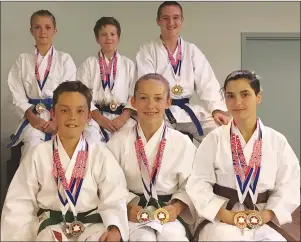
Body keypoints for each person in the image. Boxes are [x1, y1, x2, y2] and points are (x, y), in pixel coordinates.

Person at [1, 81, 129, 241]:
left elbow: (115, 196)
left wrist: (115, 228)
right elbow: (19, 202)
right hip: (51, 227)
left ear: (89, 116)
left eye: (80, 111)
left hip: (92, 228)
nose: (72, 117)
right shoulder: (38, 154)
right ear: (53, 113)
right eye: (64, 110)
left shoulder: (100, 154)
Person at [186, 70, 300, 241]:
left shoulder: (277, 141)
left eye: (245, 94)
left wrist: (267, 214)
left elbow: (289, 184)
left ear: (258, 97)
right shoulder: (214, 139)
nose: (237, 102)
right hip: (222, 218)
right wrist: (224, 214)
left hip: (261, 216)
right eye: (230, 96)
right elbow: (198, 183)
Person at [107, 73, 196, 241]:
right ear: (133, 102)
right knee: (142, 239)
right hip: (135, 213)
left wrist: (177, 207)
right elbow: (108, 184)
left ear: (168, 102)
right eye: (143, 98)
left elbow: (192, 184)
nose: (150, 105)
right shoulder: (118, 141)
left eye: (157, 98)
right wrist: (127, 205)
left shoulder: (182, 142)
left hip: (169, 213)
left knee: (174, 238)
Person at [136, 1, 229, 143]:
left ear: (182, 20)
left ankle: (215, 165)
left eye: (176, 18)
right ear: (158, 21)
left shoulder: (192, 51)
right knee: (156, 139)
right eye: (165, 18)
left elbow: (207, 82)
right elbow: (147, 85)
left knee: (222, 132)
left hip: (187, 111)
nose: (171, 22)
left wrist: (216, 109)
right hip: (160, 111)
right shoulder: (148, 50)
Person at [7, 9, 77, 160]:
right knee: (32, 150)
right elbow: (16, 96)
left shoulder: (65, 60)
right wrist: (34, 119)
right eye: (37, 27)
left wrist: (56, 120)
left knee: (63, 154)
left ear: (55, 30)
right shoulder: (23, 61)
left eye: (47, 27)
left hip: (60, 118)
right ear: (31, 31)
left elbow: (71, 95)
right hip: (32, 117)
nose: (43, 32)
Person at [77, 16, 136, 144]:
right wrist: (100, 119)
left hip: (122, 118)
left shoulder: (129, 65)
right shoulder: (89, 64)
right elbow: (82, 96)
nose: (108, 38)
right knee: (91, 141)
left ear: (118, 37)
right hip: (95, 117)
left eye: (112, 34)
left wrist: (122, 119)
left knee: (130, 143)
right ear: (97, 39)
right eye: (103, 34)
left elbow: (134, 96)